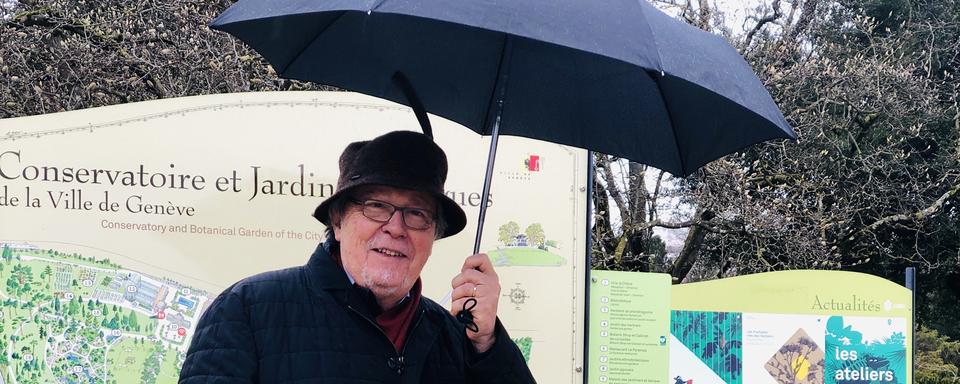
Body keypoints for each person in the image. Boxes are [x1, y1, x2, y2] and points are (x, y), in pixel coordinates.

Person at [179, 131, 536, 383]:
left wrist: (486, 344)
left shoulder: (453, 337)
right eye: (376, 206)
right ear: (337, 221)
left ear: (433, 236)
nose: (396, 228)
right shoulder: (247, 310)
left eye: (417, 214)